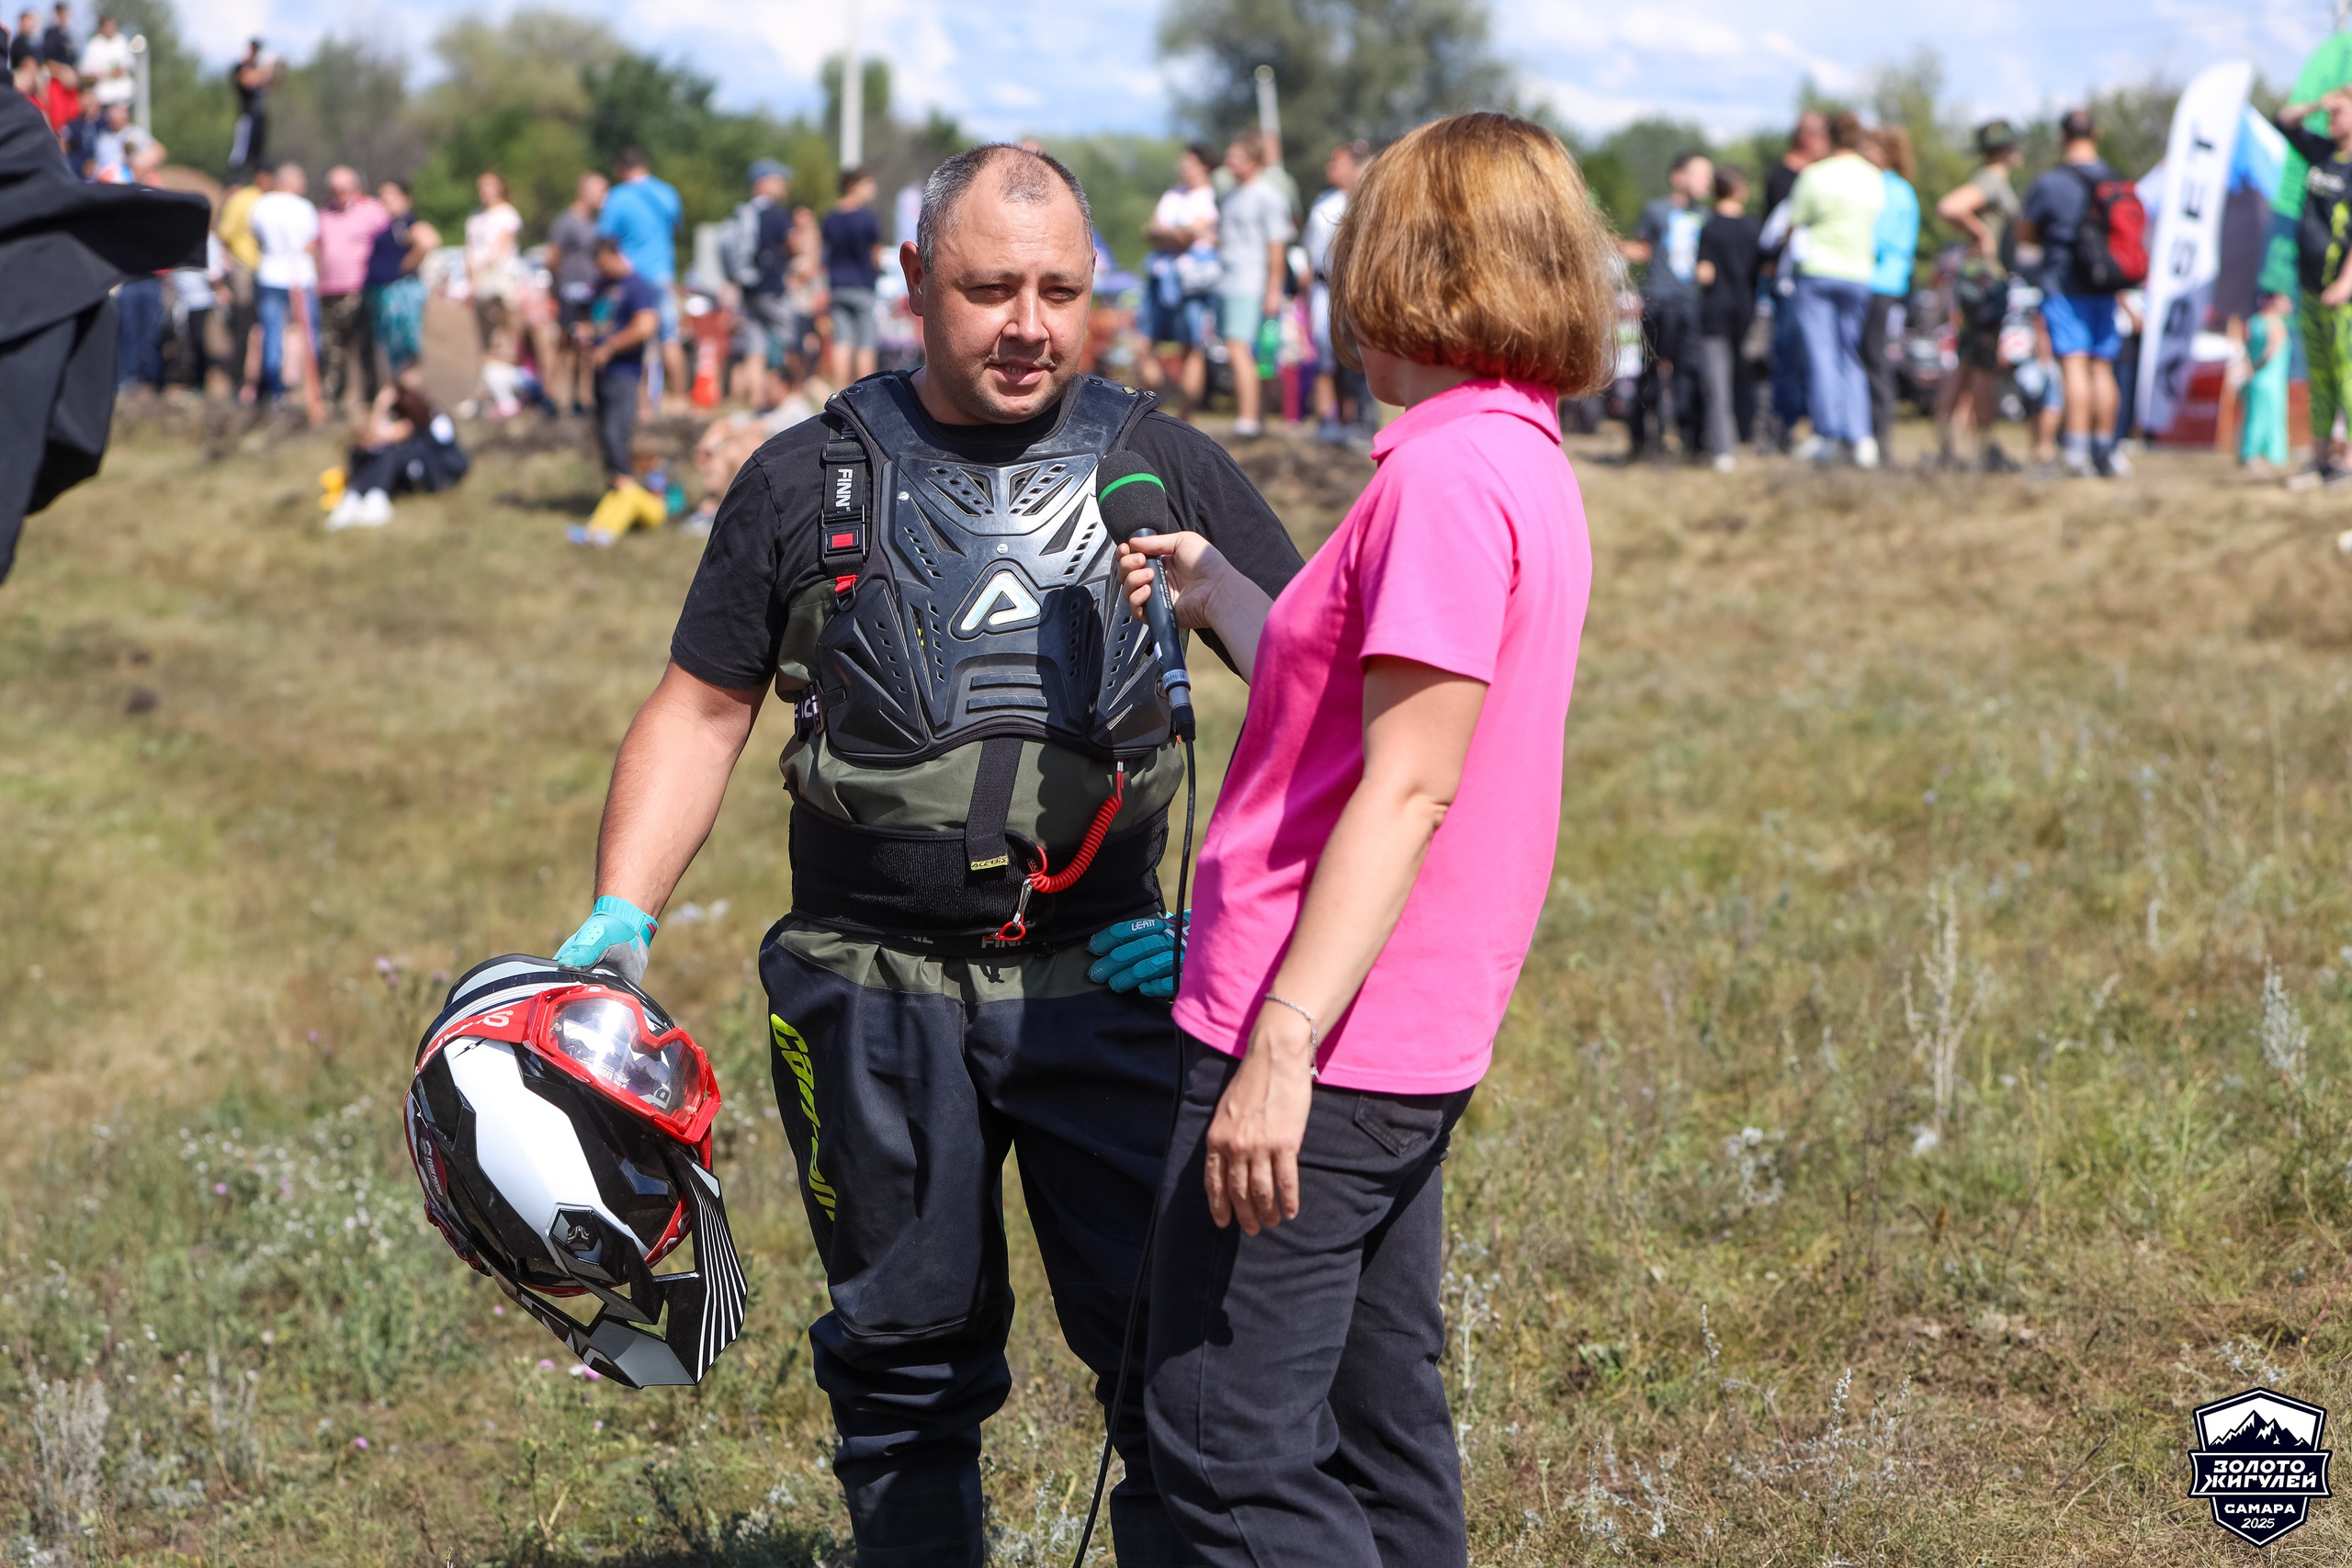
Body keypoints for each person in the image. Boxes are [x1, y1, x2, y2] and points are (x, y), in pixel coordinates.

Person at [548, 141, 1302, 1567]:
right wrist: (621, 910)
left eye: (1060, 289)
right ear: (911, 283)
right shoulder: (803, 476)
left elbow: (1322, 699)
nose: (1029, 322)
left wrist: (1236, 930)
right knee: (901, 1375)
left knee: (1179, 1372)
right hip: (868, 995)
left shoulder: (1163, 458)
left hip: (1114, 985)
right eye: (989, 287)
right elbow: (703, 711)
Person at [1110, 111, 1608, 1568]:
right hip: (1407, 1033)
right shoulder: (1510, 453)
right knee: (1382, 1416)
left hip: (1324, 1030)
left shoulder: (1445, 483)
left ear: (1409, 264)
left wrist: (1281, 1043)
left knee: (1225, 1439)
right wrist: (1224, 596)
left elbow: (1407, 786)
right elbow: (1356, 706)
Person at [2019, 108, 2127, 478]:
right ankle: (2107, 452)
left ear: (2062, 137)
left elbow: (2025, 236)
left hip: (2065, 284)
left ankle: (2077, 454)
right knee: (2103, 367)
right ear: (2095, 134)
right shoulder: (2117, 179)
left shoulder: (2050, 182)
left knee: (2075, 367)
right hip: (2107, 286)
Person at [1784, 112, 1884, 467]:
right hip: (1859, 273)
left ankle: (1828, 433)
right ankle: (1862, 438)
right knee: (1850, 355)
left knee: (1822, 356)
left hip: (1818, 272)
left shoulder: (1814, 175)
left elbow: (1793, 223)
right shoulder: (1874, 177)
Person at [2272, 89, 2352, 485]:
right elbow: (2283, 120)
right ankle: (2321, 461)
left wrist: (2346, 282)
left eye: (2341, 113)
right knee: (2318, 376)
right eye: (2331, 113)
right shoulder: (2321, 153)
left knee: (2348, 375)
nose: (2332, 118)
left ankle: (2349, 464)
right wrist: (2318, 104)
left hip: (2345, 296)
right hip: (2310, 287)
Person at [1934, 119, 2024, 471]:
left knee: (1969, 361)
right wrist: (1981, 231)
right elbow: (1950, 206)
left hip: (1977, 280)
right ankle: (1984, 448)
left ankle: (1949, 445)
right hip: (1985, 280)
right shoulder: (1990, 180)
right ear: (2009, 148)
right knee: (1985, 363)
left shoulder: (1989, 178)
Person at [1621, 149, 1713, 460]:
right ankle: (1642, 442)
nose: (1706, 181)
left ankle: (1690, 443)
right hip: (1659, 301)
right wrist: (1613, 245)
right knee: (1648, 373)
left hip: (1691, 304)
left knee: (1690, 374)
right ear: (1679, 177)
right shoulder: (1656, 210)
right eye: (1700, 174)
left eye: (1709, 176)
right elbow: (1642, 249)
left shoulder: (1707, 216)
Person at [574, 236, 661, 535]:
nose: (601, 271)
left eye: (603, 264)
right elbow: (591, 317)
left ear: (614, 256)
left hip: (625, 372)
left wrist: (610, 346)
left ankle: (631, 504)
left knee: (616, 434)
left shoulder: (637, 286)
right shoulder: (601, 285)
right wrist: (585, 332)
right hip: (600, 373)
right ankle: (614, 501)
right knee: (604, 436)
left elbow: (646, 326)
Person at [1217, 130, 1295, 438]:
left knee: (1240, 348)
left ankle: (1248, 418)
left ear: (1253, 161)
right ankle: (1256, 417)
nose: (1228, 162)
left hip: (1250, 282)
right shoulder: (1232, 196)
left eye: (1235, 157)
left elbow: (1277, 245)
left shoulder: (1268, 196)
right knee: (1243, 350)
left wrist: (1273, 288)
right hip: (1229, 279)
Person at [596, 146, 686, 409]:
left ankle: (642, 406)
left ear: (621, 168)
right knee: (669, 338)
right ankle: (680, 400)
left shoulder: (618, 197)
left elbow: (605, 240)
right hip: (663, 275)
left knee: (637, 341)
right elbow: (675, 229)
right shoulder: (667, 192)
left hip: (634, 279)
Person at [1761, 111, 1828, 450]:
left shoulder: (1822, 177)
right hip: (1789, 282)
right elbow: (1773, 232)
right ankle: (1783, 426)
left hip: (1819, 277)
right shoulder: (1783, 177)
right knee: (1787, 356)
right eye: (1818, 133)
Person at [326, 373, 469, 530]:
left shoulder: (419, 418)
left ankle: (372, 497)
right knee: (366, 451)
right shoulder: (422, 414)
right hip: (426, 470)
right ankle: (356, 497)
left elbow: (375, 435)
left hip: (438, 474)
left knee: (387, 452)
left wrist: (381, 405)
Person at [1144, 143, 1222, 415]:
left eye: (1186, 163)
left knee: (1192, 348)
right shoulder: (1173, 194)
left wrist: (1169, 234)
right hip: (1161, 277)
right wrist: (1176, 235)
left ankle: (1186, 416)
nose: (1181, 168)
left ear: (1203, 167)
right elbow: (1150, 231)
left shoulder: (1211, 197)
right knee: (1143, 344)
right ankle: (1155, 409)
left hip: (1193, 283)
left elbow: (1183, 235)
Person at [1694, 165, 1760, 471]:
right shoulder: (1753, 228)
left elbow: (1704, 273)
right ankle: (1752, 436)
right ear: (1738, 190)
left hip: (1715, 314)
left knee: (1718, 384)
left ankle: (1723, 450)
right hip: (1747, 314)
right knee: (1749, 379)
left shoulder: (1710, 228)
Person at [1304, 139, 1368, 444]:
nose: (1331, 167)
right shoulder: (1323, 202)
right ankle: (1327, 419)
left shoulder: (1364, 204)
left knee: (1352, 359)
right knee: (1325, 357)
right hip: (1324, 290)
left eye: (1337, 161)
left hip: (1353, 292)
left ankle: (1352, 421)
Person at [1860, 127, 1920, 459]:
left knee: (1874, 360)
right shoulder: (1896, 188)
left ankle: (1879, 439)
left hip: (1879, 284)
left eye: (1869, 147)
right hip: (1877, 283)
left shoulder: (1891, 190)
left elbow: (1880, 238)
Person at [314, 164, 387, 418]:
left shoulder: (372, 211)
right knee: (333, 349)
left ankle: (372, 400)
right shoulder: (322, 214)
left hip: (360, 289)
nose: (340, 193)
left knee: (366, 346)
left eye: (345, 188)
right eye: (335, 189)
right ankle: (333, 401)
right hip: (328, 290)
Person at [723, 158, 796, 404]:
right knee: (790, 337)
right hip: (772, 287)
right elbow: (791, 245)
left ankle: (756, 399)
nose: (784, 184)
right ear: (763, 183)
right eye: (779, 179)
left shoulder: (744, 212)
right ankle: (789, 392)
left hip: (749, 286)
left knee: (754, 345)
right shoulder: (776, 213)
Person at [248, 159, 319, 404]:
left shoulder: (261, 205)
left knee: (272, 335)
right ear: (289, 181)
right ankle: (310, 392)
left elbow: (256, 238)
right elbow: (311, 244)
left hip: (270, 274)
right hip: (300, 277)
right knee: (308, 334)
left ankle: (275, 393)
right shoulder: (305, 207)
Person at [362, 180, 436, 379]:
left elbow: (429, 241)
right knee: (392, 347)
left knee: (407, 344)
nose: (385, 200)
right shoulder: (390, 224)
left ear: (405, 198)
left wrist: (403, 267)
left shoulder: (405, 222)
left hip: (401, 293)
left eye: (391, 195)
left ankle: (412, 389)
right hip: (385, 292)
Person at [547, 170, 606, 416]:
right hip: (569, 292)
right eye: (601, 190)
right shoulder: (566, 222)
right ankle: (560, 398)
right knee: (566, 345)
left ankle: (584, 398)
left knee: (586, 346)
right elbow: (553, 257)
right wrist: (558, 289)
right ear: (584, 191)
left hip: (589, 293)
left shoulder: (594, 223)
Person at [820, 165, 881, 388]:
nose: (871, 190)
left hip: (837, 286)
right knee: (866, 342)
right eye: (867, 185)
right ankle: (866, 393)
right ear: (852, 187)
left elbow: (824, 251)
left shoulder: (830, 217)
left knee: (841, 341)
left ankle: (840, 392)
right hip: (863, 285)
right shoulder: (867, 218)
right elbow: (876, 255)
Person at [465, 169, 523, 378]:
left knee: (505, 333)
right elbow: (470, 248)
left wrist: (484, 267)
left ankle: (508, 381)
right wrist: (472, 277)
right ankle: (489, 381)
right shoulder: (475, 217)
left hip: (500, 280)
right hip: (481, 281)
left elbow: (501, 247)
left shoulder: (507, 214)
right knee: (485, 336)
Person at [2240, 291, 2290, 473]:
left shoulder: (2252, 322)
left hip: (2254, 380)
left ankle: (2250, 455)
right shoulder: (2275, 324)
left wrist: (2248, 369)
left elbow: (2244, 348)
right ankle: (2261, 459)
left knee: (2253, 418)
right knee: (2269, 420)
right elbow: (2270, 352)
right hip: (2270, 382)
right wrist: (2256, 367)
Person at [228, 39, 271, 175]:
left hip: (259, 117)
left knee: (258, 152)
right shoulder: (241, 68)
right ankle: (233, 180)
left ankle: (253, 177)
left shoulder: (259, 69)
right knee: (240, 152)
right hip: (246, 116)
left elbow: (272, 86)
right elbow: (248, 80)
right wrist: (265, 70)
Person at [77, 12, 129, 109]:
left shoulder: (121, 41)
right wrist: (106, 74)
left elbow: (129, 65)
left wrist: (120, 71)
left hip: (124, 96)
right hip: (103, 98)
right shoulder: (94, 45)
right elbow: (85, 72)